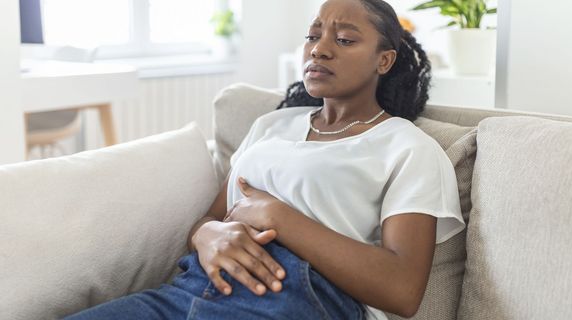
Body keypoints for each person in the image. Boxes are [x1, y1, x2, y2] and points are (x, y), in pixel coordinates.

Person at [65, 0, 465, 319]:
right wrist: (206, 235)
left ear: (384, 61)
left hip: (296, 299)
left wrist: (278, 217)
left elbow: (402, 291)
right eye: (312, 36)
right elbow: (213, 216)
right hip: (190, 289)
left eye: (344, 40)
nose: (319, 49)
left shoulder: (408, 148)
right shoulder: (272, 124)